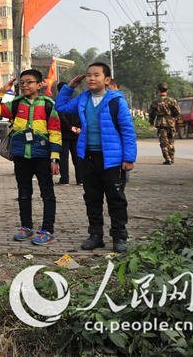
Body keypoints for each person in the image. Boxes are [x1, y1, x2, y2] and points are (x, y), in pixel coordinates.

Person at [55, 63, 137, 253]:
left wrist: (129, 158)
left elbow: (127, 131)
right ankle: (95, 236)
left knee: (116, 199)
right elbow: (60, 106)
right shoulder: (83, 98)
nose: (91, 79)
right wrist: (70, 87)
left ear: (107, 80)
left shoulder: (117, 101)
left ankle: (119, 237)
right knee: (92, 198)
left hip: (112, 159)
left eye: (97, 75)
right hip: (87, 157)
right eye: (89, 75)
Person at [0, 70, 62, 245]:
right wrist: (2, 90)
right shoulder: (15, 104)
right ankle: (26, 227)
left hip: (42, 155)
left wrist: (55, 158)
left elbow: (55, 132)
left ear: (40, 84)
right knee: (23, 193)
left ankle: (47, 229)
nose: (25, 86)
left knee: (47, 194)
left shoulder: (48, 105)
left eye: (29, 82)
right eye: (22, 83)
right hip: (21, 155)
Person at [148, 83, 180, 165]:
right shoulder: (172, 101)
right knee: (171, 140)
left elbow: (151, 113)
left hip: (161, 123)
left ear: (158, 91)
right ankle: (172, 158)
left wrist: (151, 122)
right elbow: (177, 112)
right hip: (170, 122)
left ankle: (167, 159)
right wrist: (173, 117)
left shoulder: (155, 101)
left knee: (163, 142)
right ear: (167, 91)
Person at [56, 81, 82, 185]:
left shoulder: (60, 105)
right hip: (77, 134)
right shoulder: (76, 103)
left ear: (59, 91)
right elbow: (82, 115)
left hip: (65, 134)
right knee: (77, 157)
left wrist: (70, 127)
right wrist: (80, 128)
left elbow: (62, 118)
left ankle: (64, 180)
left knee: (64, 157)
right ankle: (80, 179)